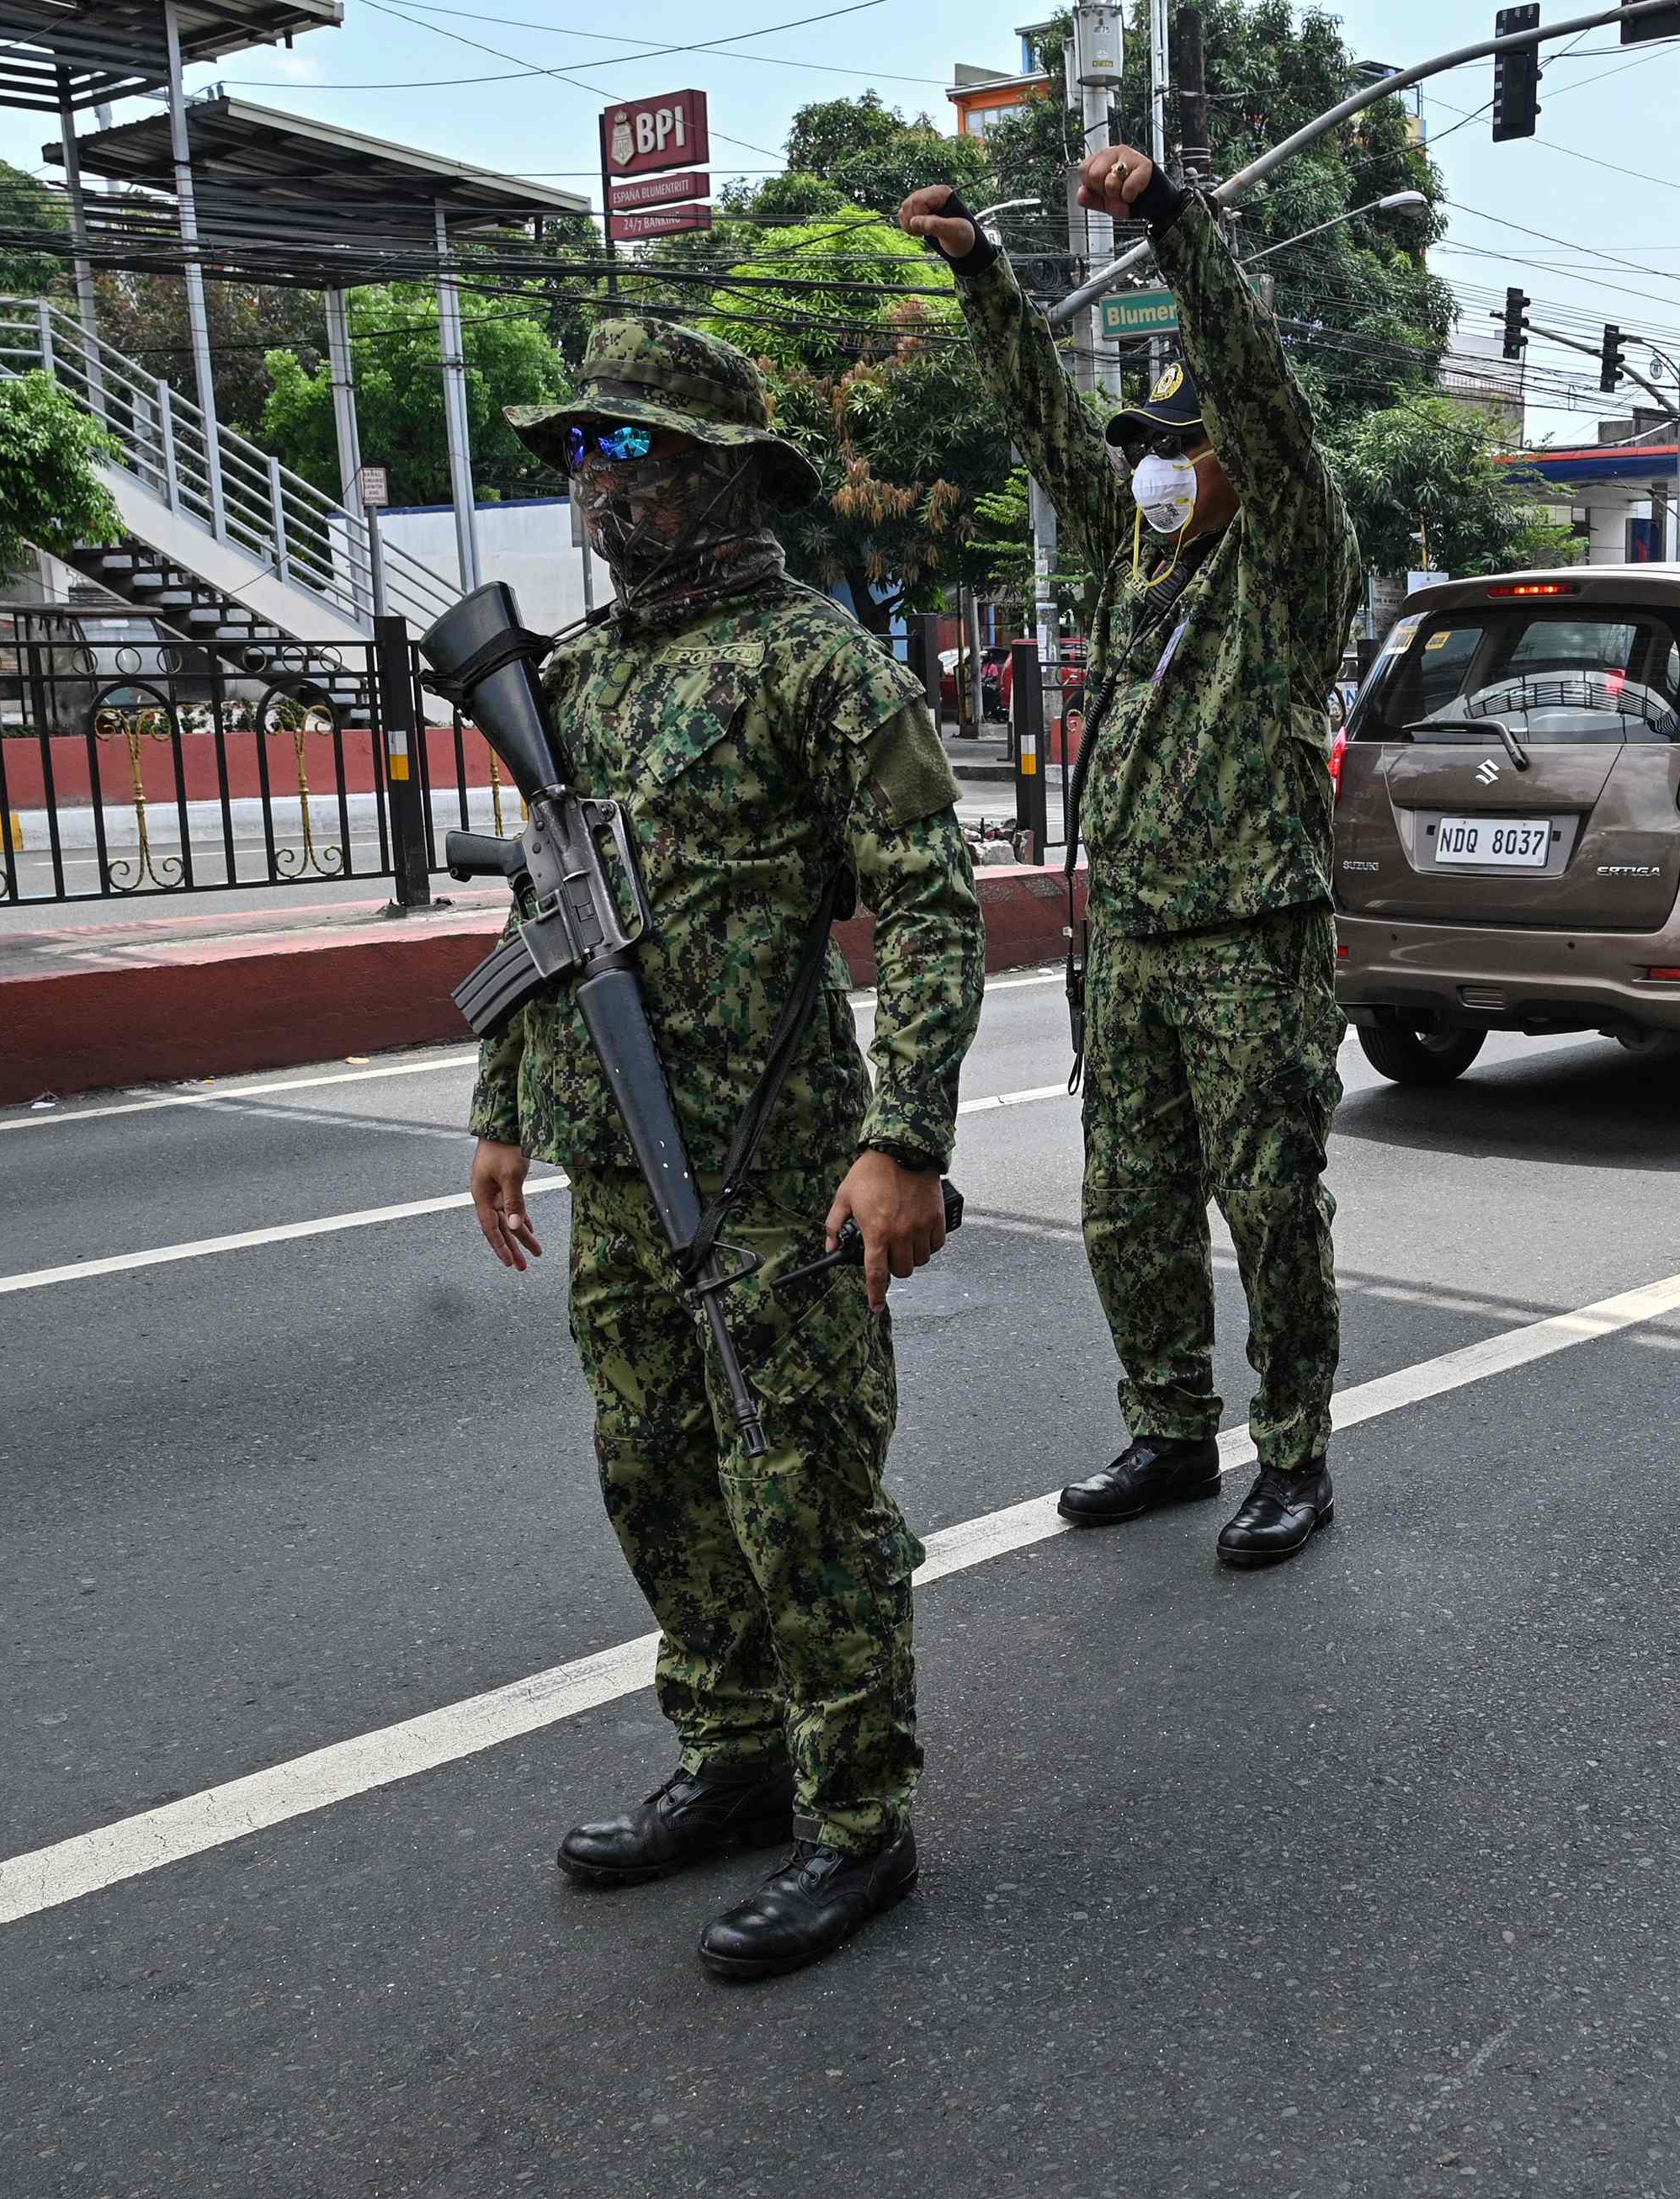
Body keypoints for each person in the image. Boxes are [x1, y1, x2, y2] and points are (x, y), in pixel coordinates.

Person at [465, 319, 984, 1983]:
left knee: (805, 1495)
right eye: (582, 457)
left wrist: (904, 1139)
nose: (599, 488)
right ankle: (738, 1755)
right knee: (660, 1480)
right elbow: (545, 909)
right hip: (616, 1167)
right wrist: (499, 1105)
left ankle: (857, 1817)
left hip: (776, 1171)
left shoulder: (819, 669)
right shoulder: (567, 680)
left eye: (633, 452)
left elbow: (931, 906)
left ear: (724, 476)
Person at [901, 142, 1361, 1570]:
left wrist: (1170, 221)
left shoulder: (1289, 557)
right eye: (1149, 453)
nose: (1159, 472)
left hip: (1252, 944)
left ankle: (1292, 1454)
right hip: (1137, 948)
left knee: (1272, 1208)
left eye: (1183, 448)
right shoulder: (1131, 564)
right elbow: (1048, 429)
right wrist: (982, 280)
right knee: (1128, 1208)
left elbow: (1267, 397)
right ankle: (1171, 1428)